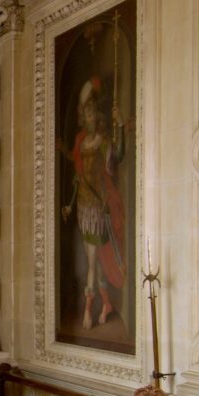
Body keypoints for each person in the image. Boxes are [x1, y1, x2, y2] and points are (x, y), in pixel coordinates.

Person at [61, 77, 126, 330]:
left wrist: (119, 124)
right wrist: (69, 204)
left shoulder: (102, 140)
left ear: (96, 114)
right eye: (85, 112)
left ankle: (88, 310)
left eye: (91, 112)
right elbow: (78, 177)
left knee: (91, 260)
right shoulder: (81, 141)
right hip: (84, 209)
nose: (88, 116)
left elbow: (118, 156)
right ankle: (106, 303)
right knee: (94, 260)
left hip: (98, 209)